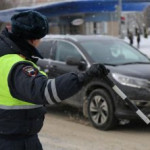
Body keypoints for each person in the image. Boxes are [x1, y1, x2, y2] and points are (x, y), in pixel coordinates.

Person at [0, 10, 109, 150]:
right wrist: (84, 77)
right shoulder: (16, 65)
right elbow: (44, 91)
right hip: (13, 142)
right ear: (33, 39)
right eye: (40, 38)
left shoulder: (5, 57)